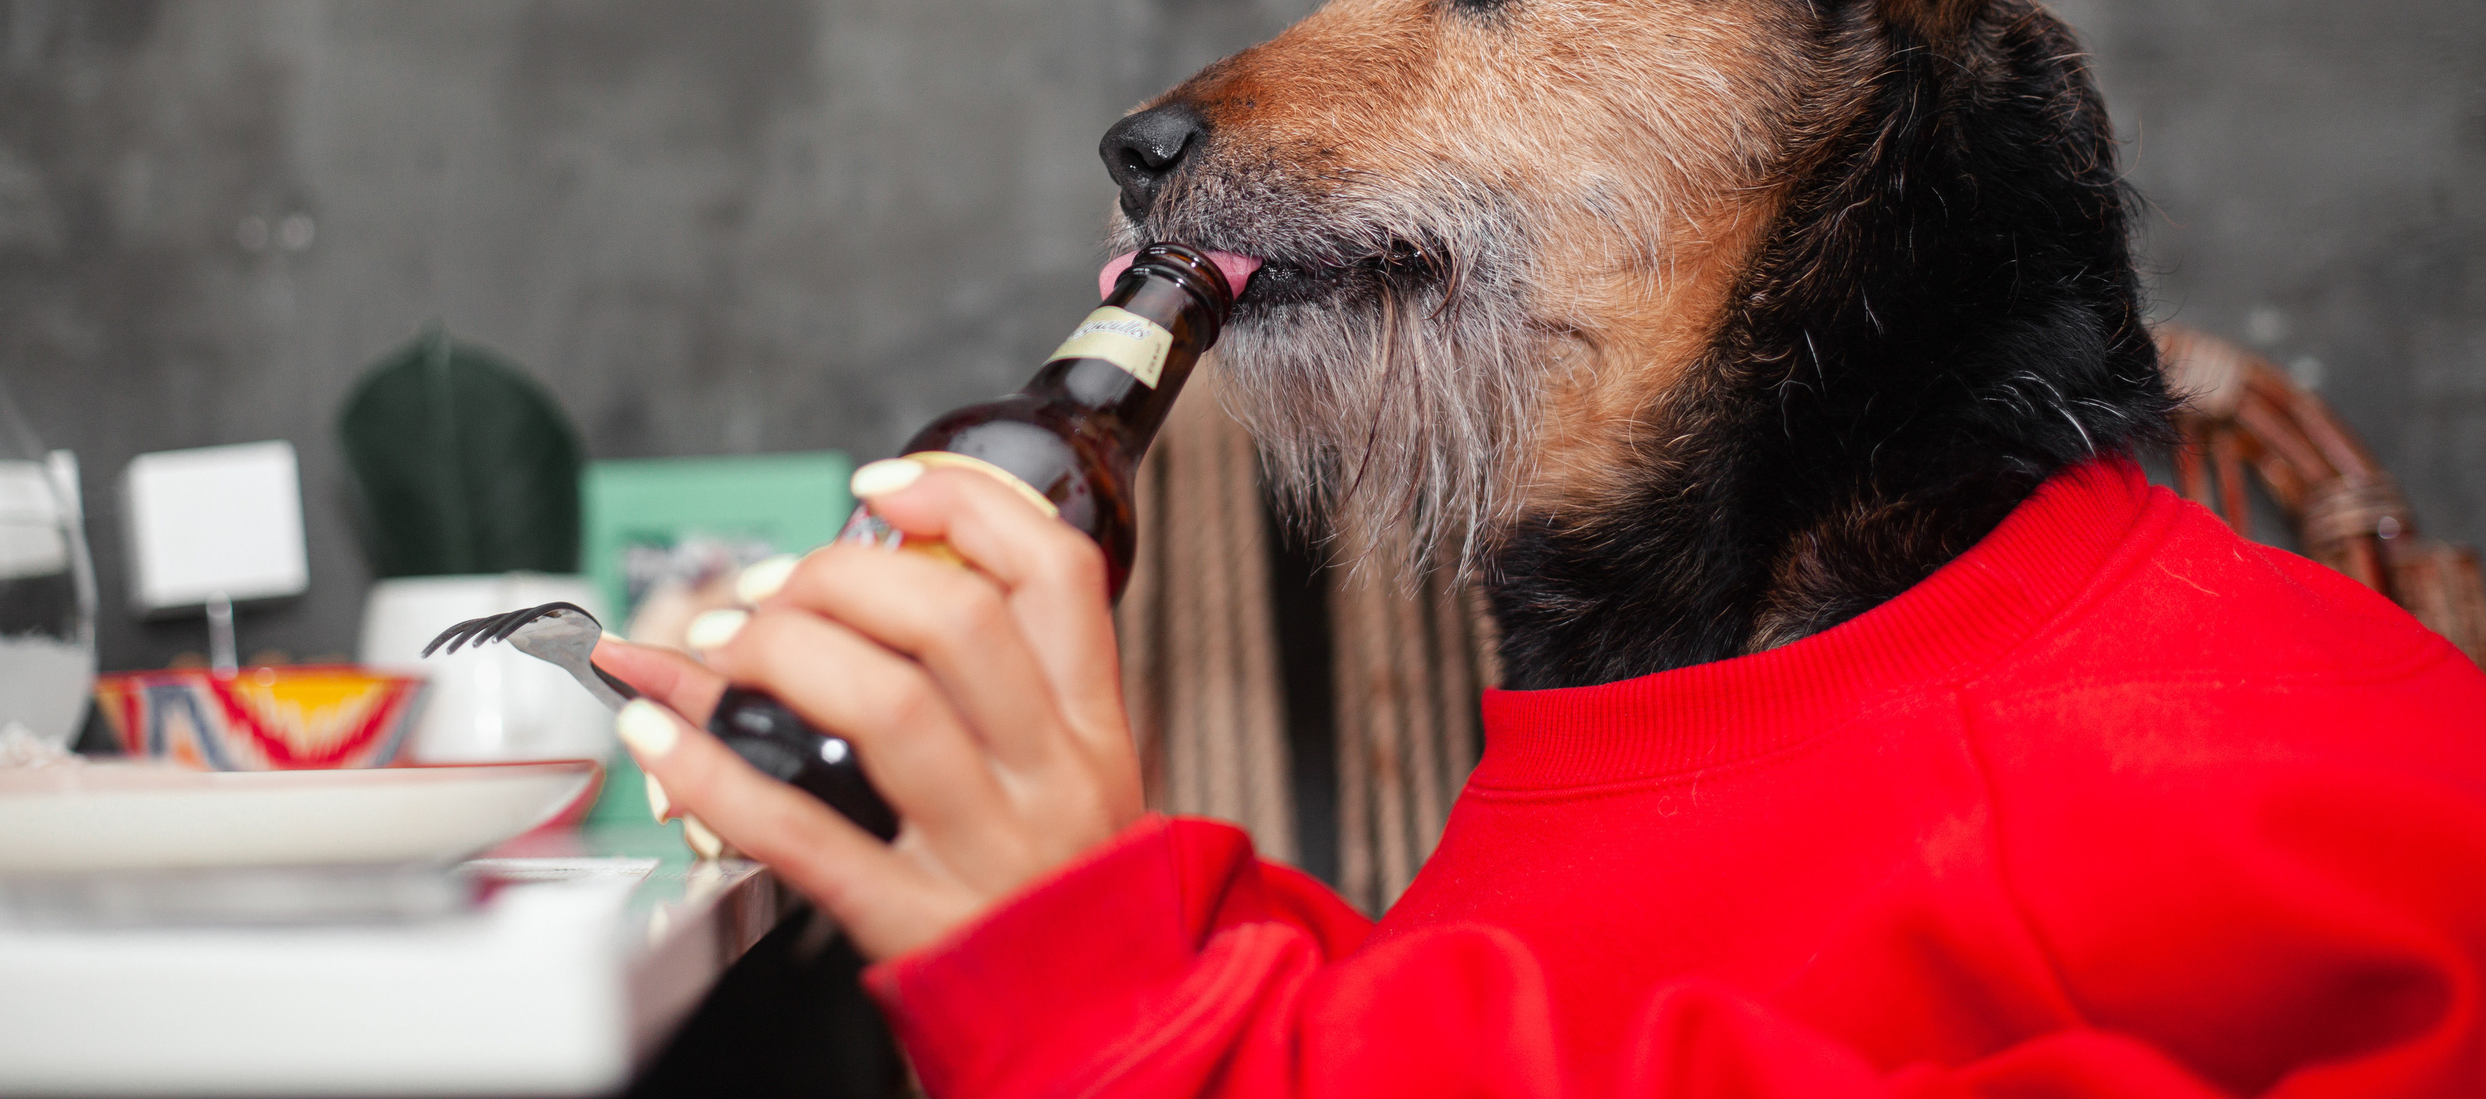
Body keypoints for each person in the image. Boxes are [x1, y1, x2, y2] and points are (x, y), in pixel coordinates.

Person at [593, 455, 2486, 1098]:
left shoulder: (2228, 749)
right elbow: (1585, 1018)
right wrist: (1125, 930)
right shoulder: (1691, 727)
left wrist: (1130, 1001)